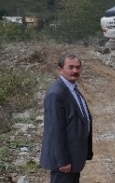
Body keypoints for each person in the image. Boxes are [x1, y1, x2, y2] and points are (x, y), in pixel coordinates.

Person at [40, 53, 93, 183]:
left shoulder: (71, 89)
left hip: (73, 157)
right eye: (70, 67)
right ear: (60, 70)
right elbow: (56, 130)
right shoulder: (56, 93)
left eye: (78, 67)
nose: (75, 71)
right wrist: (63, 161)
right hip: (64, 163)